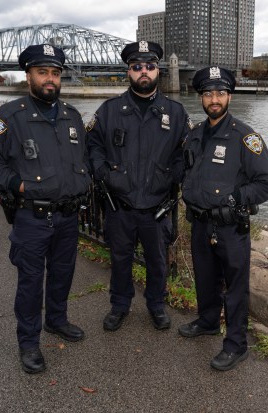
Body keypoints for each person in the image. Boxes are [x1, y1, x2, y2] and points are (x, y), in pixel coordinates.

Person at [0, 44, 91, 374]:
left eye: (55, 73)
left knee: (62, 275)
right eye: (43, 72)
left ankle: (56, 320)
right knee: (30, 282)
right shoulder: (10, 116)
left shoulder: (72, 116)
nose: (50, 79)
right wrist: (18, 185)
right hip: (32, 217)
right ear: (29, 76)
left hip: (68, 216)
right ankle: (28, 343)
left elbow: (81, 160)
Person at [178, 66, 268, 371]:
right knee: (206, 279)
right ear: (201, 98)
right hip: (200, 223)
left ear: (229, 96)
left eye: (220, 93)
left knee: (235, 287)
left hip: (230, 227)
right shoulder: (195, 135)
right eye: (208, 93)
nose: (214, 99)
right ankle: (208, 321)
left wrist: (236, 200)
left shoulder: (244, 137)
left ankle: (236, 345)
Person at [86, 41, 191, 332]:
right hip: (120, 204)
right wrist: (105, 174)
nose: (143, 72)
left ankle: (156, 305)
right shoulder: (109, 111)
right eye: (136, 67)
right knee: (120, 260)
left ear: (158, 70)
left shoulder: (176, 113)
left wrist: (173, 177)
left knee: (157, 262)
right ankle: (120, 305)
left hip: (157, 206)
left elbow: (188, 152)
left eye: (150, 66)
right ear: (128, 71)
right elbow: (93, 146)